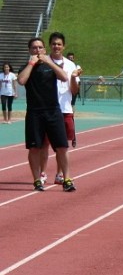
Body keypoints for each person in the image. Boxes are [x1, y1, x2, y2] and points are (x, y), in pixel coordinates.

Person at [17, 36, 73, 192]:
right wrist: (31, 63)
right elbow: (21, 81)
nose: (38, 50)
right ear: (30, 51)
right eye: (34, 48)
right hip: (35, 113)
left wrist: (49, 62)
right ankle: (37, 180)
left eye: (40, 48)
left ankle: (67, 178)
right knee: (34, 148)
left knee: (62, 146)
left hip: (53, 111)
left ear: (45, 49)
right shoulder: (26, 67)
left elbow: (63, 77)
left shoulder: (51, 66)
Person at [47, 32, 81, 185]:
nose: (56, 46)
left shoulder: (70, 65)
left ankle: (59, 174)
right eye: (54, 44)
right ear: (50, 45)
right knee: (43, 144)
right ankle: (41, 174)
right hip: (47, 109)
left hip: (65, 109)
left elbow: (74, 90)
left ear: (63, 46)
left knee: (62, 145)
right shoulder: (44, 62)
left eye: (59, 44)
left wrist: (73, 77)